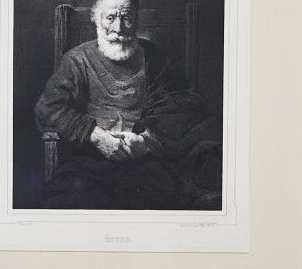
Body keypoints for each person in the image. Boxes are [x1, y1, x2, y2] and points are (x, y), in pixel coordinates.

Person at [34, 0, 221, 210]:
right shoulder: (76, 60)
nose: (119, 28)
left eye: (126, 17)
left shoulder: (152, 56)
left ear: (136, 19)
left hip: (145, 158)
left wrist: (148, 140)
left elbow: (183, 104)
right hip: (91, 160)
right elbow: (48, 108)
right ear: (96, 19)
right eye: (111, 18)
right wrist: (95, 135)